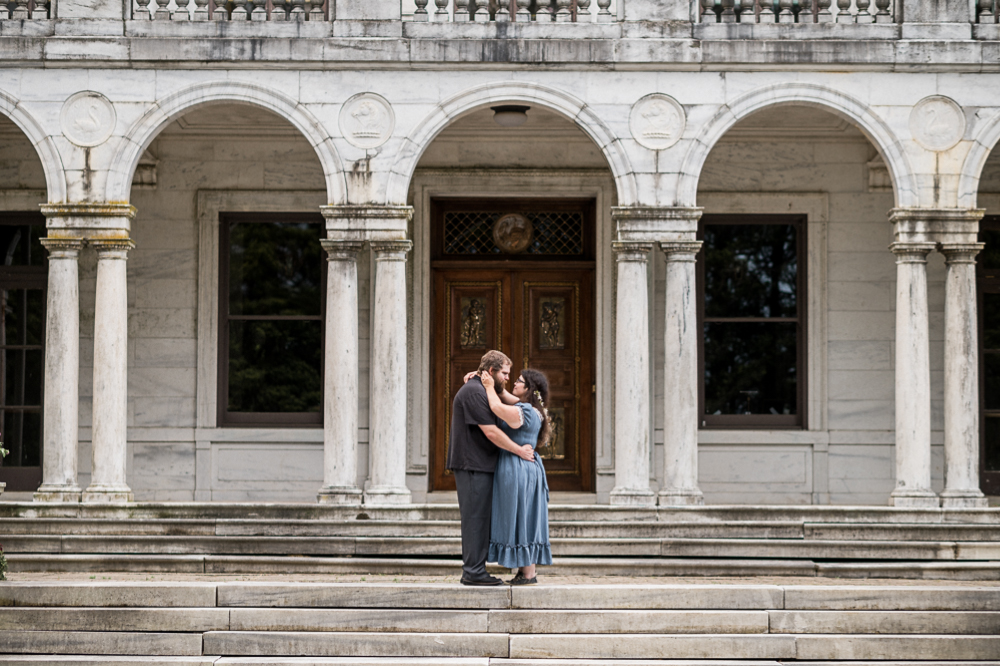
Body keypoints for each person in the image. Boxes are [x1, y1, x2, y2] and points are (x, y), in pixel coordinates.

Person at [448, 350, 535, 586]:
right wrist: (519, 450)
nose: (508, 377)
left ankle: (476, 569)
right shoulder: (474, 392)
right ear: (491, 371)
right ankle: (473, 572)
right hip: (472, 464)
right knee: (475, 518)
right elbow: (491, 431)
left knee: (481, 518)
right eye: (504, 373)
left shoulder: (483, 389)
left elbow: (520, 404)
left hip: (481, 464)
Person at [479, 368, 553, 585]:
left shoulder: (526, 412)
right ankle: (526, 572)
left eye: (519, 381)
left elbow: (496, 406)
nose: (514, 383)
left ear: (529, 389)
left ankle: (529, 574)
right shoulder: (529, 408)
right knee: (525, 516)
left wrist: (488, 387)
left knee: (522, 516)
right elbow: (505, 395)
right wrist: (479, 376)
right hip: (524, 468)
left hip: (518, 467)